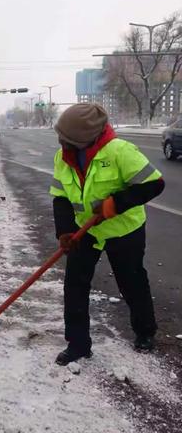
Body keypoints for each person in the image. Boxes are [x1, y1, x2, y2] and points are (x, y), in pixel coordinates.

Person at [49, 103, 165, 366]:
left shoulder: (120, 151)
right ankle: (78, 344)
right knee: (75, 285)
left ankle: (145, 332)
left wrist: (116, 203)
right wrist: (65, 231)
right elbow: (60, 197)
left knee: (131, 281)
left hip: (124, 229)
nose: (61, 141)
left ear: (84, 136)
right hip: (83, 230)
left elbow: (155, 184)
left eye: (66, 137)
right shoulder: (63, 157)